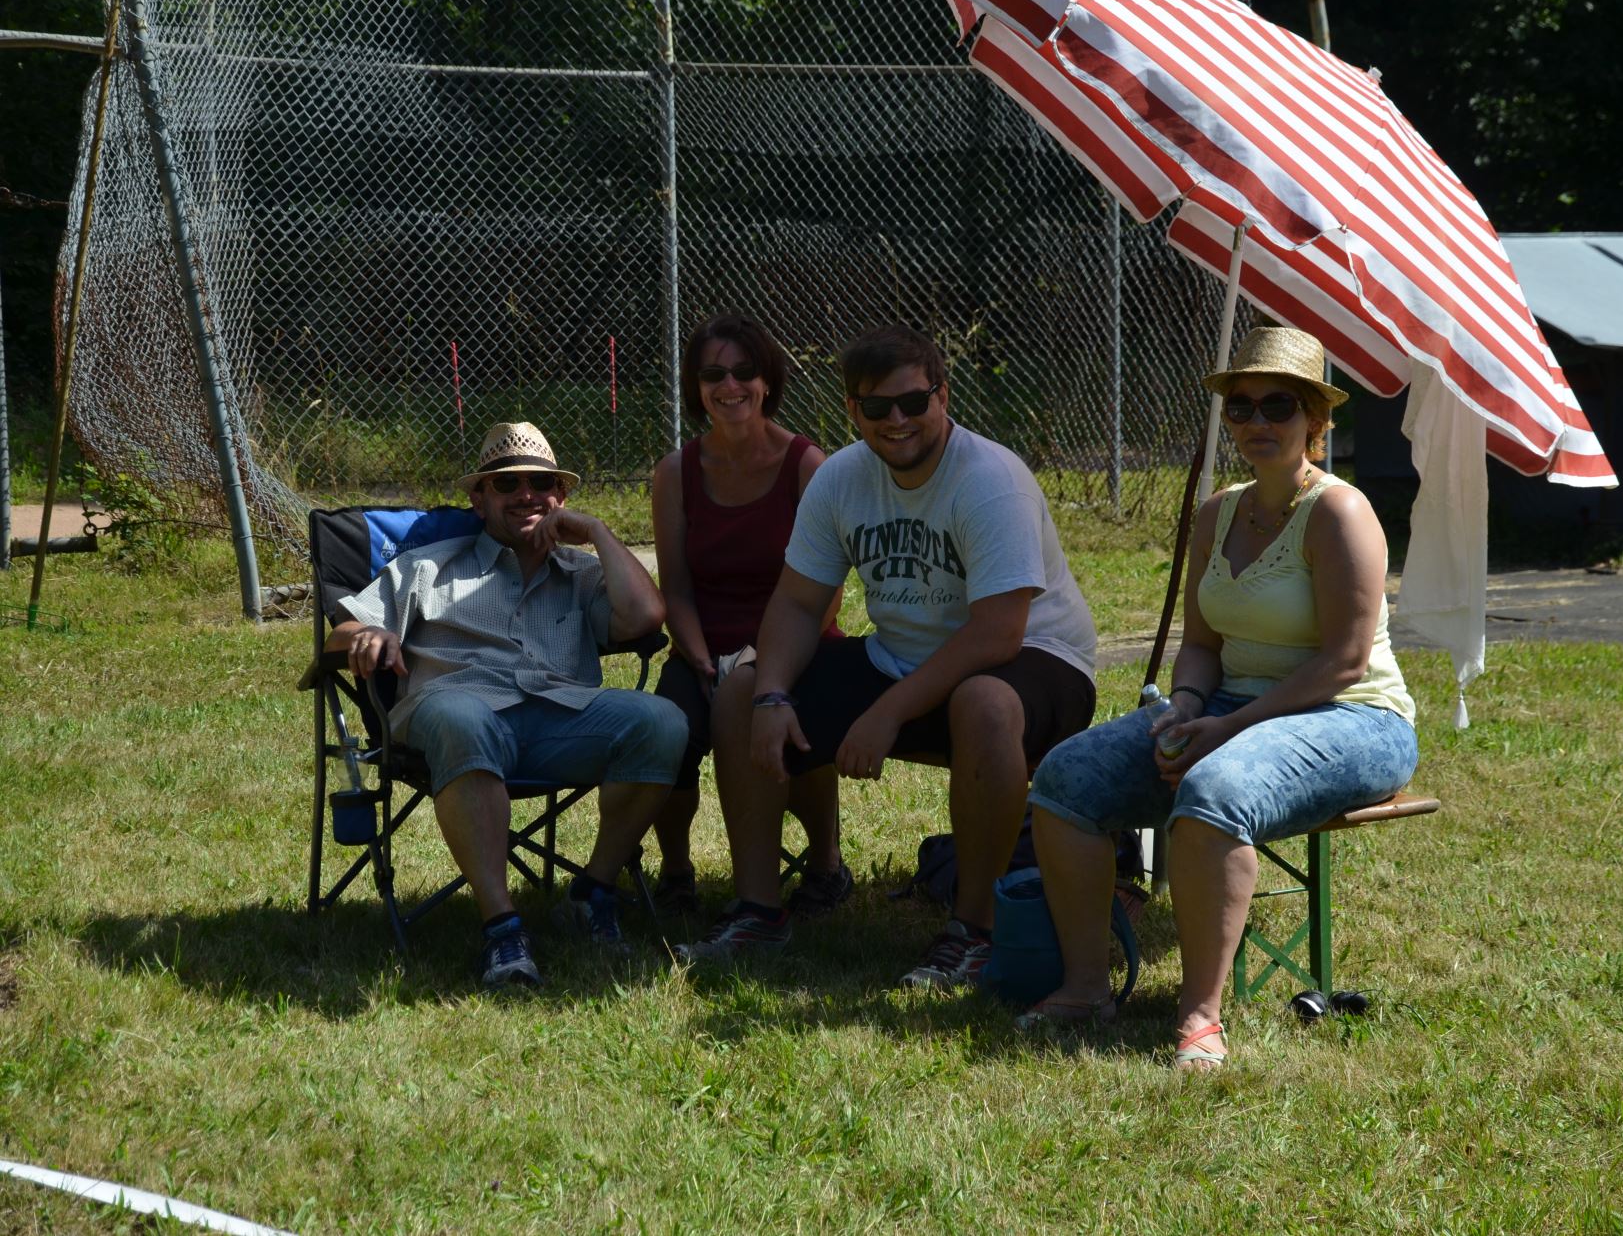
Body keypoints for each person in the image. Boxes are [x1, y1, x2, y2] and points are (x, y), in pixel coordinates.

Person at [1020, 325, 1418, 1071]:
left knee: (1214, 789)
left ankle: (1199, 1017)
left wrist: (1224, 727)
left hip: (1356, 718)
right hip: (1231, 703)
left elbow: (1343, 660)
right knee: (1065, 778)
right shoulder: (1219, 512)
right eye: (1240, 407)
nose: (1257, 422)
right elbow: (1201, 642)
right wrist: (1184, 703)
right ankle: (1083, 986)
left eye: (1279, 406)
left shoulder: (1341, 514)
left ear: (1315, 421)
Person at [678, 324, 1099, 987]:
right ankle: (759, 910)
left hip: (1039, 662)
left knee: (984, 701)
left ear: (943, 395)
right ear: (853, 410)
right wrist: (771, 695)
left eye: (914, 402)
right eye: (877, 407)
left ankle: (976, 929)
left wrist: (885, 713)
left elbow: (998, 634)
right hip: (902, 659)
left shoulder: (991, 479)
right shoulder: (841, 478)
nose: (897, 420)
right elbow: (793, 604)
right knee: (739, 688)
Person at [327, 422, 688, 989]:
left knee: (663, 721)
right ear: (479, 498)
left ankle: (592, 892)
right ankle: (503, 927)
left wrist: (594, 531)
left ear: (560, 497)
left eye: (542, 483)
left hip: (556, 718)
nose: (526, 494)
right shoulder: (428, 567)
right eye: (507, 483)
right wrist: (363, 638)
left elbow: (646, 617)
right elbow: (345, 626)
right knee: (464, 718)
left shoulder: (582, 572)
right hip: (451, 712)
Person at [648, 314, 847, 918]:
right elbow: (675, 589)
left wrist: (764, 665)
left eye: (744, 371)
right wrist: (702, 658)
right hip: (704, 646)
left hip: (798, 645)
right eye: (713, 373)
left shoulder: (811, 467)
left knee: (798, 730)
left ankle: (825, 864)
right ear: (696, 386)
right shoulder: (675, 473)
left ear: (767, 382)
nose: (729, 385)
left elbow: (827, 595)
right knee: (664, 731)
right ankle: (677, 868)